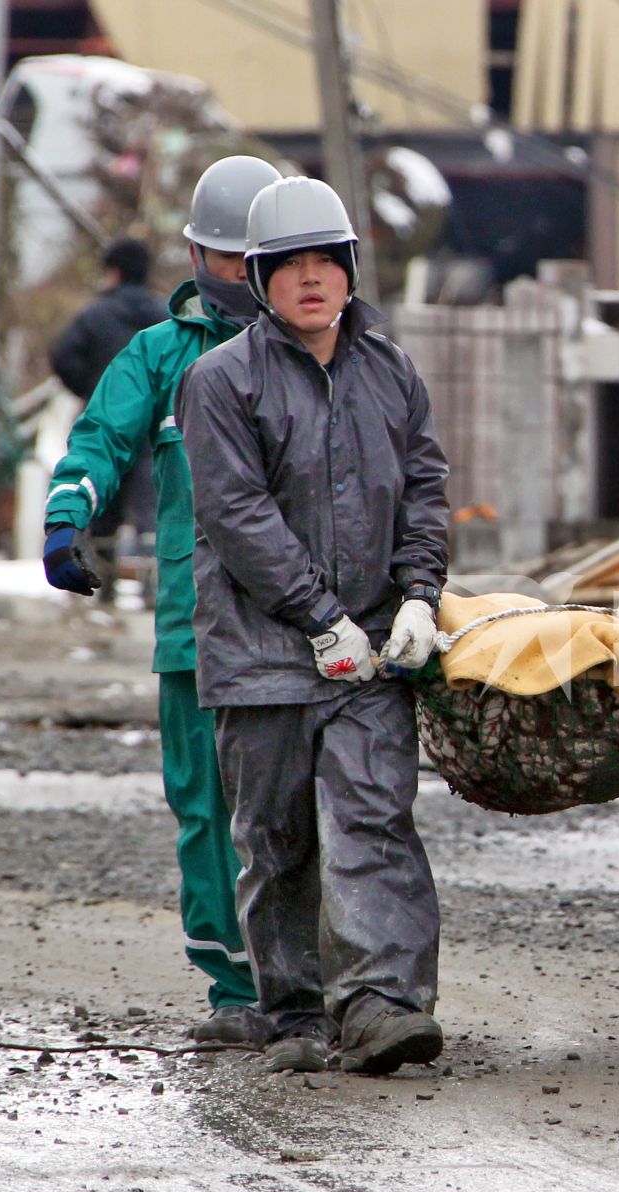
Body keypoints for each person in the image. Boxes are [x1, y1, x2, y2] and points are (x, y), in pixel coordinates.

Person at [178, 176, 450, 1076]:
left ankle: (381, 1003)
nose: (309, 279)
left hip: (369, 648)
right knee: (277, 836)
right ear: (256, 280)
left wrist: (418, 591)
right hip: (262, 654)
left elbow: (423, 487)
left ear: (348, 270)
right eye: (287, 265)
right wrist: (316, 615)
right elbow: (235, 512)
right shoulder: (220, 381)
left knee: (373, 819)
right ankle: (293, 1006)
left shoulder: (390, 370)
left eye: (324, 261)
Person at [42, 155, 282, 1048]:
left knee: (308, 804)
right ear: (192, 252)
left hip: (301, 625)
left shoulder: (320, 351)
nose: (237, 281)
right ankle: (232, 986)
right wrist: (70, 515)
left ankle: (317, 976)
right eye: (221, 262)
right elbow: (102, 434)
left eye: (248, 261)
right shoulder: (158, 354)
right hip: (196, 624)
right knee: (203, 805)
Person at [49, 236, 170, 604]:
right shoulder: (166, 316)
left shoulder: (94, 315)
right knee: (154, 506)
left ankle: (105, 582)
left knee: (104, 503)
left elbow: (61, 356)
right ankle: (154, 583)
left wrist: (88, 388)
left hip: (108, 422)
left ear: (113, 272)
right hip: (156, 424)